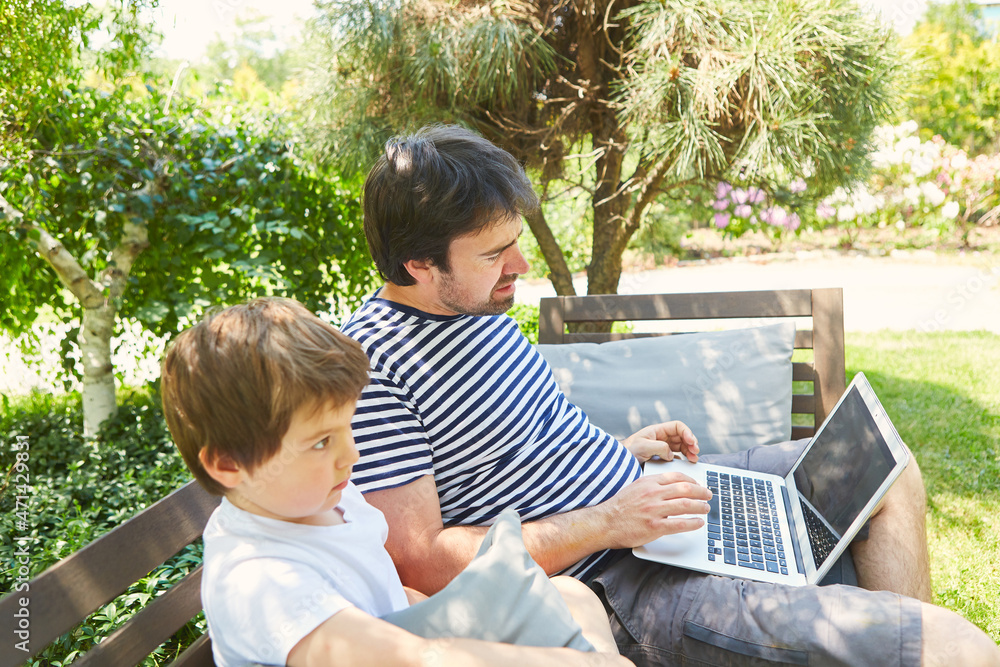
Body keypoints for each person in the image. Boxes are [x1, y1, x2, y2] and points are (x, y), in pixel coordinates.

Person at [342, 124, 1000, 666]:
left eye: (515, 243)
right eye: (494, 254)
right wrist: (611, 519)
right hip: (612, 578)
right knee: (956, 648)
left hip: (651, 498)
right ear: (419, 266)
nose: (519, 265)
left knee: (882, 466)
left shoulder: (473, 308)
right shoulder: (374, 368)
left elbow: (519, 444)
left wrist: (622, 451)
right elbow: (421, 560)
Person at [159, 297, 630, 667]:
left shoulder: (328, 498)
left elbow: (391, 593)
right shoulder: (258, 580)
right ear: (227, 465)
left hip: (407, 638)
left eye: (347, 428)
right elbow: (413, 659)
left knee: (572, 593)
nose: (353, 455)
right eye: (322, 442)